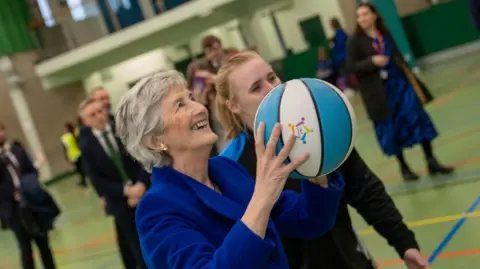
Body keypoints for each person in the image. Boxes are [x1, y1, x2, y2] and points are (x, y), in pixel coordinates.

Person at [215, 51, 430, 269]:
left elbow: (363, 187)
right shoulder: (232, 165)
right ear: (234, 105)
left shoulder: (314, 124)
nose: (271, 90)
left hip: (351, 260)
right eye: (255, 88)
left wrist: (404, 242)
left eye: (271, 78)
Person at [114, 70, 345, 269]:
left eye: (192, 98)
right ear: (155, 141)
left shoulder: (227, 170)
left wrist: (316, 165)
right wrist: (262, 199)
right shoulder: (156, 210)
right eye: (180, 105)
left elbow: (311, 221)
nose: (199, 107)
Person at [347, 3, 454, 180]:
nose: (362, 18)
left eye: (365, 14)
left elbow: (396, 56)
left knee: (417, 117)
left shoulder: (384, 32)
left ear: (374, 15)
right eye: (359, 16)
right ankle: (404, 167)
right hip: (380, 92)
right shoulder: (355, 41)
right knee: (391, 128)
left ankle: (431, 160)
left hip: (400, 84)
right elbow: (350, 67)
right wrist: (371, 61)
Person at [78, 99, 149, 269]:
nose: (99, 117)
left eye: (100, 111)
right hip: (120, 203)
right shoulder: (86, 147)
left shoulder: (123, 132)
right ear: (85, 121)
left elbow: (143, 159)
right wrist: (127, 191)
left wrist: (141, 185)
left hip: (145, 193)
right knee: (136, 246)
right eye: (92, 115)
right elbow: (98, 181)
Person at [0, 121, 58, 269]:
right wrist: (14, 193)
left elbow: (32, 170)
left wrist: (28, 186)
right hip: (13, 209)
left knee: (44, 243)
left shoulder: (17, 150)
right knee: (25, 248)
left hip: (32, 203)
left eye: (0, 130)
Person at [61, 122, 86, 187]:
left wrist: (66, 156)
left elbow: (65, 148)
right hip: (80, 153)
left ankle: (83, 181)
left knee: (80, 169)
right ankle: (83, 181)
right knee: (82, 168)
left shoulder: (65, 137)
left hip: (73, 155)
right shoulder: (76, 132)